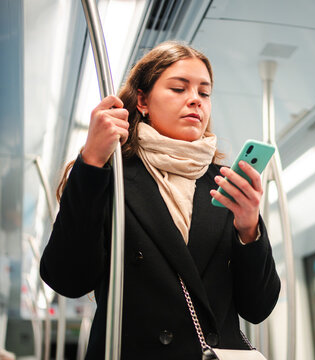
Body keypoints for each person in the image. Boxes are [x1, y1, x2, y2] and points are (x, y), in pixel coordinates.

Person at [40, 41, 281, 359]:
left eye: (204, 92)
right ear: (142, 100)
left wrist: (249, 229)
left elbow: (258, 307)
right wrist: (92, 161)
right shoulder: (112, 177)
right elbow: (68, 278)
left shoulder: (226, 183)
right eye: (179, 88)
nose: (195, 99)